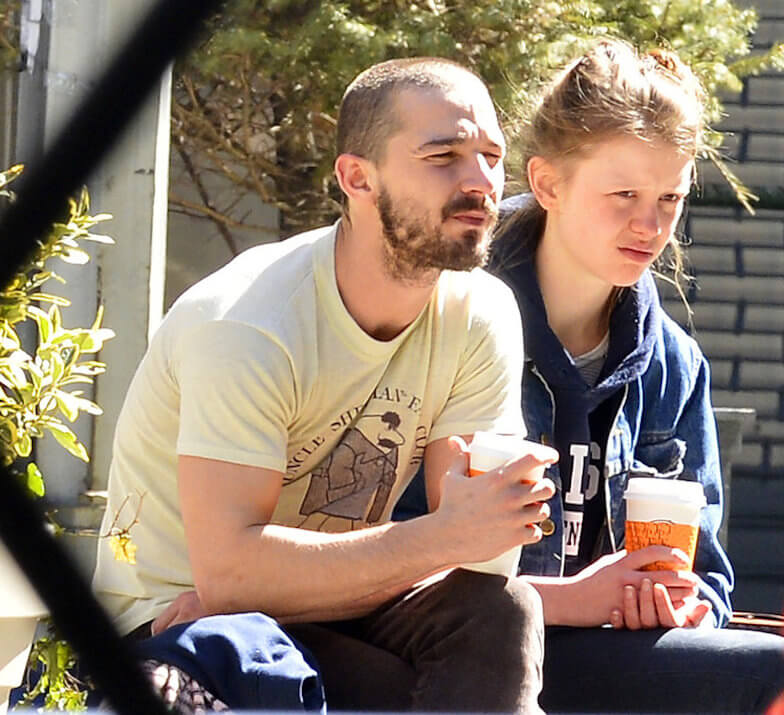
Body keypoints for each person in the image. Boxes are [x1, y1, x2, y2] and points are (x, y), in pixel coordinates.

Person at [91, 56, 559, 713]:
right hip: (182, 626)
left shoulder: (481, 312)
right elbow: (226, 573)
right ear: (356, 177)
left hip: (328, 601)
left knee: (500, 609)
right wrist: (445, 536)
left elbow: (480, 553)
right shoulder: (251, 322)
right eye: (443, 155)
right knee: (384, 688)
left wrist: (478, 526)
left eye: (490, 154)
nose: (479, 180)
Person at [395, 40, 784, 712]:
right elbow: (395, 564)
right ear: (547, 184)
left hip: (601, 652)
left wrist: (680, 606)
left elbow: (710, 576)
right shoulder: (452, 318)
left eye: (671, 197)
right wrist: (575, 599)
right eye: (625, 194)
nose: (651, 223)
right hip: (464, 653)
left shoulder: (673, 362)